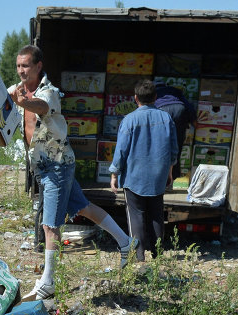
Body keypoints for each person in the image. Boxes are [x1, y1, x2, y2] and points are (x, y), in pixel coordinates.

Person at [10, 45, 137, 300]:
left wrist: (24, 101)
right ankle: (126, 242)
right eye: (18, 66)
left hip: (57, 165)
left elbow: (42, 107)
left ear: (38, 66)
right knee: (84, 207)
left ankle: (48, 282)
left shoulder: (49, 92)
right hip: (42, 165)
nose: (21, 70)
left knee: (51, 224)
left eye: (25, 65)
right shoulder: (17, 91)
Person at [110, 79, 179, 263]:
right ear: (155, 97)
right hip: (158, 177)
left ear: (135, 98)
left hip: (134, 177)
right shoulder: (166, 118)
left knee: (136, 217)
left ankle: (139, 257)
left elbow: (121, 151)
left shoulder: (129, 120)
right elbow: (173, 150)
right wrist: (170, 172)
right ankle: (157, 255)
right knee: (156, 215)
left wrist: (114, 174)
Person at [154, 81, 193, 180]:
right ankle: (173, 178)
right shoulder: (175, 90)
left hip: (162, 109)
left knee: (160, 145)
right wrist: (193, 120)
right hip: (180, 109)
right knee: (177, 144)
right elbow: (188, 105)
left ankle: (161, 178)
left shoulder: (153, 91)